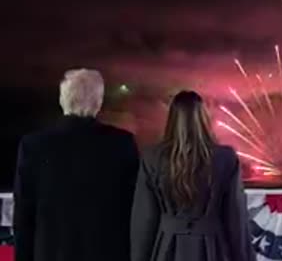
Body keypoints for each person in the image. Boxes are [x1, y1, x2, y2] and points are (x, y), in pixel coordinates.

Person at [14, 69, 139, 261]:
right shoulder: (122, 145)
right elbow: (133, 212)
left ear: (62, 100)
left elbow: (23, 217)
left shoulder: (33, 146)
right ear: (98, 103)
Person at [131, 91, 256, 261]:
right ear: (203, 118)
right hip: (213, 249)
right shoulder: (225, 158)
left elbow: (144, 221)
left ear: (172, 119)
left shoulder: (152, 158)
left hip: (167, 250)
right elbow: (236, 220)